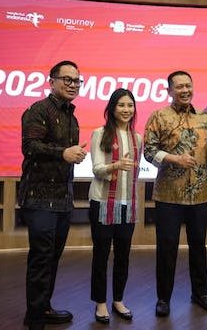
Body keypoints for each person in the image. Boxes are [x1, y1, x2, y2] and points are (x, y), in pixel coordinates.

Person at [144, 70, 207, 317]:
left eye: (188, 85)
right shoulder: (159, 116)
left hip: (199, 195)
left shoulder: (206, 119)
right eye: (179, 87)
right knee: (167, 248)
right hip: (168, 195)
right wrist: (174, 158)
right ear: (169, 90)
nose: (185, 90)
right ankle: (163, 298)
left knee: (198, 246)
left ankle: (200, 294)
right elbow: (148, 151)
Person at [18, 60, 87, 330]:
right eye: (66, 79)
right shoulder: (38, 110)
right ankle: (34, 319)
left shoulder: (72, 117)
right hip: (39, 198)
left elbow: (64, 156)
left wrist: (73, 155)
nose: (72, 84)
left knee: (53, 258)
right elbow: (30, 146)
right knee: (41, 258)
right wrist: (63, 153)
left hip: (62, 199)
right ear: (52, 81)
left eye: (76, 80)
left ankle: (43, 308)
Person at [88, 88, 142, 324]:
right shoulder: (99, 133)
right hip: (102, 203)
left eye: (130, 105)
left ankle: (118, 299)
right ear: (111, 108)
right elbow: (97, 169)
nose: (126, 110)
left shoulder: (137, 138)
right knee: (101, 255)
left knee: (123, 256)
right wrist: (116, 165)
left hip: (127, 204)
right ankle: (100, 302)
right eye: (121, 105)